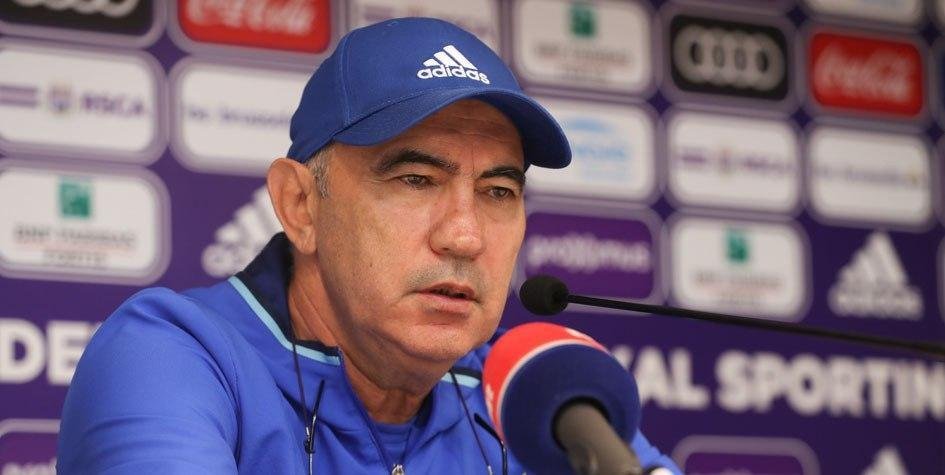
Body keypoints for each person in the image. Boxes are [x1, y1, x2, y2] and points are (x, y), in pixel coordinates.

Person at [57, 18, 681, 474]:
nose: (465, 236)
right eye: (416, 180)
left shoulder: (530, 395)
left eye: (497, 191)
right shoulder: (174, 353)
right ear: (300, 206)